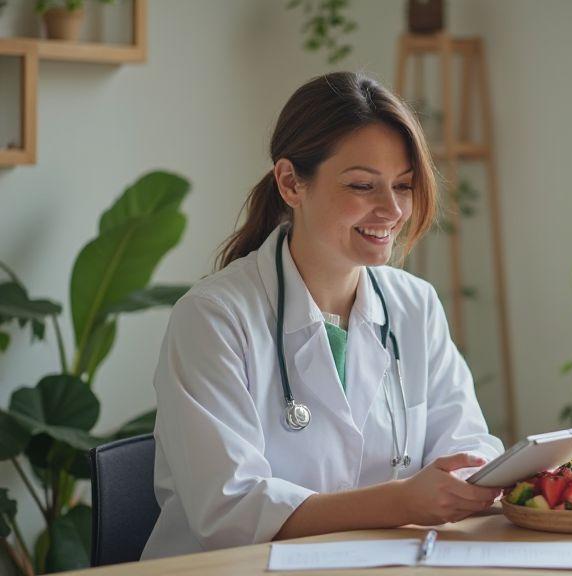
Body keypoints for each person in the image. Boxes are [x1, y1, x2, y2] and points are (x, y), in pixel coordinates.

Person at [142, 72, 504, 559]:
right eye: (362, 186)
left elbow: (467, 446)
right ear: (291, 182)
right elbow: (230, 511)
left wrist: (471, 480)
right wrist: (401, 501)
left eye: (404, 185)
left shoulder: (414, 305)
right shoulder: (214, 318)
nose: (392, 210)